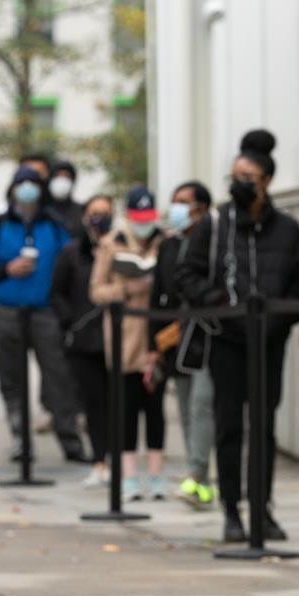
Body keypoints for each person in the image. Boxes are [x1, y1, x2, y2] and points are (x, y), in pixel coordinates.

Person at [176, 130, 299, 542]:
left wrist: (277, 321)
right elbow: (187, 274)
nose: (238, 183)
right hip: (226, 341)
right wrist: (220, 304)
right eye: (234, 175)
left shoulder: (287, 228)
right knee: (229, 425)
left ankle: (262, 508)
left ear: (266, 181)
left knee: (264, 427)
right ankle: (231, 510)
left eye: (247, 176)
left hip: (269, 343)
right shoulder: (214, 224)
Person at [0, 166, 87, 464]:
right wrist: (6, 268)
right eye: (21, 183)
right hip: (4, 312)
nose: (27, 189)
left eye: (33, 184)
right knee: (10, 380)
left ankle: (70, 442)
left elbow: (70, 262)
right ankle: (20, 441)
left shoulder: (53, 224)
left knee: (59, 377)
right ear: (11, 189)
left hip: (45, 313)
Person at [90, 187, 167, 501]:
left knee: (155, 408)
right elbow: (96, 290)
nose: (144, 225)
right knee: (126, 408)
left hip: (157, 336)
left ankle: (156, 475)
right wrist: (126, 289)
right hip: (125, 338)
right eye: (138, 218)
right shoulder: (112, 244)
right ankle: (129, 476)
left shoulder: (166, 241)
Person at [151, 180, 217, 509]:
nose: (177, 208)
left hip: (206, 335)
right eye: (173, 201)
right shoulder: (168, 246)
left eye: (184, 202)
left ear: (202, 208)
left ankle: (198, 474)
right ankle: (198, 475)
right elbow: (159, 293)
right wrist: (157, 339)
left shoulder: (215, 241)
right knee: (186, 407)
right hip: (176, 339)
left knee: (202, 406)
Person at [52, 195, 115, 487]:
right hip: (84, 342)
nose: (99, 219)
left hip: (116, 341)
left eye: (105, 213)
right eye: (94, 213)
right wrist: (71, 323)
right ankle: (99, 460)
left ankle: (118, 461)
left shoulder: (120, 250)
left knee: (118, 404)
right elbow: (57, 293)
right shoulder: (71, 253)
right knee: (94, 404)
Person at [47, 159, 85, 239]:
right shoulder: (41, 209)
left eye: (66, 176)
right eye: (57, 176)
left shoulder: (81, 211)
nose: (62, 180)